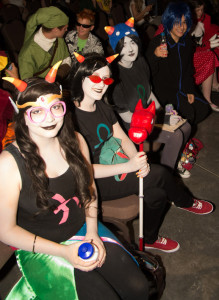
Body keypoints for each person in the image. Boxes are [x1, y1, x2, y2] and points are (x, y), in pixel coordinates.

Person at [0, 64, 149, 299]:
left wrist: (92, 232)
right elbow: (5, 231)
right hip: (41, 246)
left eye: (55, 107)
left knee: (138, 288)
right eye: (36, 112)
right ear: (23, 117)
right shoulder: (9, 164)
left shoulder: (76, 141)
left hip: (83, 229)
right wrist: (65, 252)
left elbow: (89, 190)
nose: (49, 118)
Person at [71, 52, 214, 253]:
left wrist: (135, 159)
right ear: (80, 77)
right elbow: (85, 171)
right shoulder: (71, 119)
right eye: (95, 78)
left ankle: (149, 239)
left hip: (117, 163)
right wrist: (129, 166)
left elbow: (121, 137)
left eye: (106, 78)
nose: (101, 84)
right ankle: (185, 201)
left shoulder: (102, 106)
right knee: (161, 174)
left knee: (156, 194)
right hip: (95, 182)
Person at [106, 18, 192, 177]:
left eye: (132, 42)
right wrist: (161, 120)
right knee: (176, 135)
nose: (130, 48)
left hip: (149, 116)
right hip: (132, 127)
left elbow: (149, 93)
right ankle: (165, 177)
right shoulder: (114, 76)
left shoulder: (140, 61)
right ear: (115, 48)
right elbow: (127, 118)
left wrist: (166, 112)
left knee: (185, 127)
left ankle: (172, 162)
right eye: (123, 44)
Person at [146, 1, 211, 125]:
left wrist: (189, 90)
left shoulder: (186, 41)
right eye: (177, 22)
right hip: (164, 92)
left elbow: (188, 70)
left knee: (203, 109)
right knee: (188, 114)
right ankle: (180, 137)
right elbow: (147, 72)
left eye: (185, 22)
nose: (181, 27)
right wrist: (155, 55)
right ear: (169, 21)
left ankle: (182, 133)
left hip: (182, 88)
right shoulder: (158, 42)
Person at [18, 6, 71, 81]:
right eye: (65, 28)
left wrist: (58, 75)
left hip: (59, 82)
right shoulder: (27, 54)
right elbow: (28, 84)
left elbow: (66, 59)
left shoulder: (59, 40)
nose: (66, 30)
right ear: (55, 29)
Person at [189, 0, 219, 112]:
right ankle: (207, 100)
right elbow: (188, 46)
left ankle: (214, 85)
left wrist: (209, 44)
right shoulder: (186, 20)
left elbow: (205, 39)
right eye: (197, 10)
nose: (200, 12)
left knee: (211, 52)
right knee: (209, 55)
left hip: (198, 50)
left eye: (202, 9)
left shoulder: (206, 18)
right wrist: (206, 46)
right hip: (189, 55)